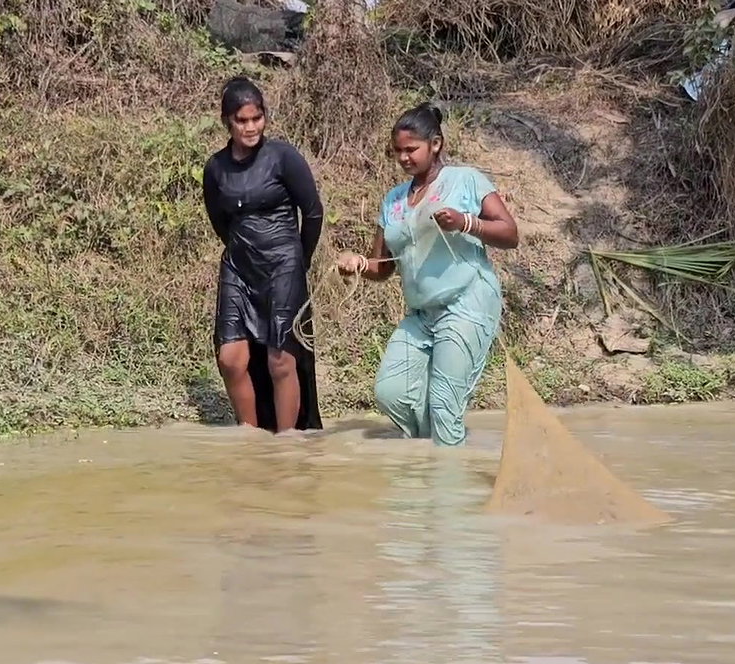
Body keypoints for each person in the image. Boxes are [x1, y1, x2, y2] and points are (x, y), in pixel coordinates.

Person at [337, 102, 519, 446]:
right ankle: (436, 456)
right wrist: (358, 263)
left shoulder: (465, 180)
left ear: (435, 144)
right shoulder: (392, 201)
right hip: (422, 314)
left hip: (467, 304)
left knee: (444, 403)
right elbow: (383, 268)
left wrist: (465, 222)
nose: (404, 158)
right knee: (391, 392)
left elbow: (510, 234)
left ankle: (446, 478)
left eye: (411, 149)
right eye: (397, 151)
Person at [201, 76, 325, 434]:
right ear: (227, 121)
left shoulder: (283, 157)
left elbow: (313, 211)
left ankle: (285, 443)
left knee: (280, 360)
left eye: (257, 118)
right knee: (231, 359)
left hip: (284, 264)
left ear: (265, 117)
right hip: (238, 268)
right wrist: (243, 250)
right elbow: (219, 221)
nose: (251, 127)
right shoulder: (216, 168)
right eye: (242, 120)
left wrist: (299, 261)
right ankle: (250, 437)